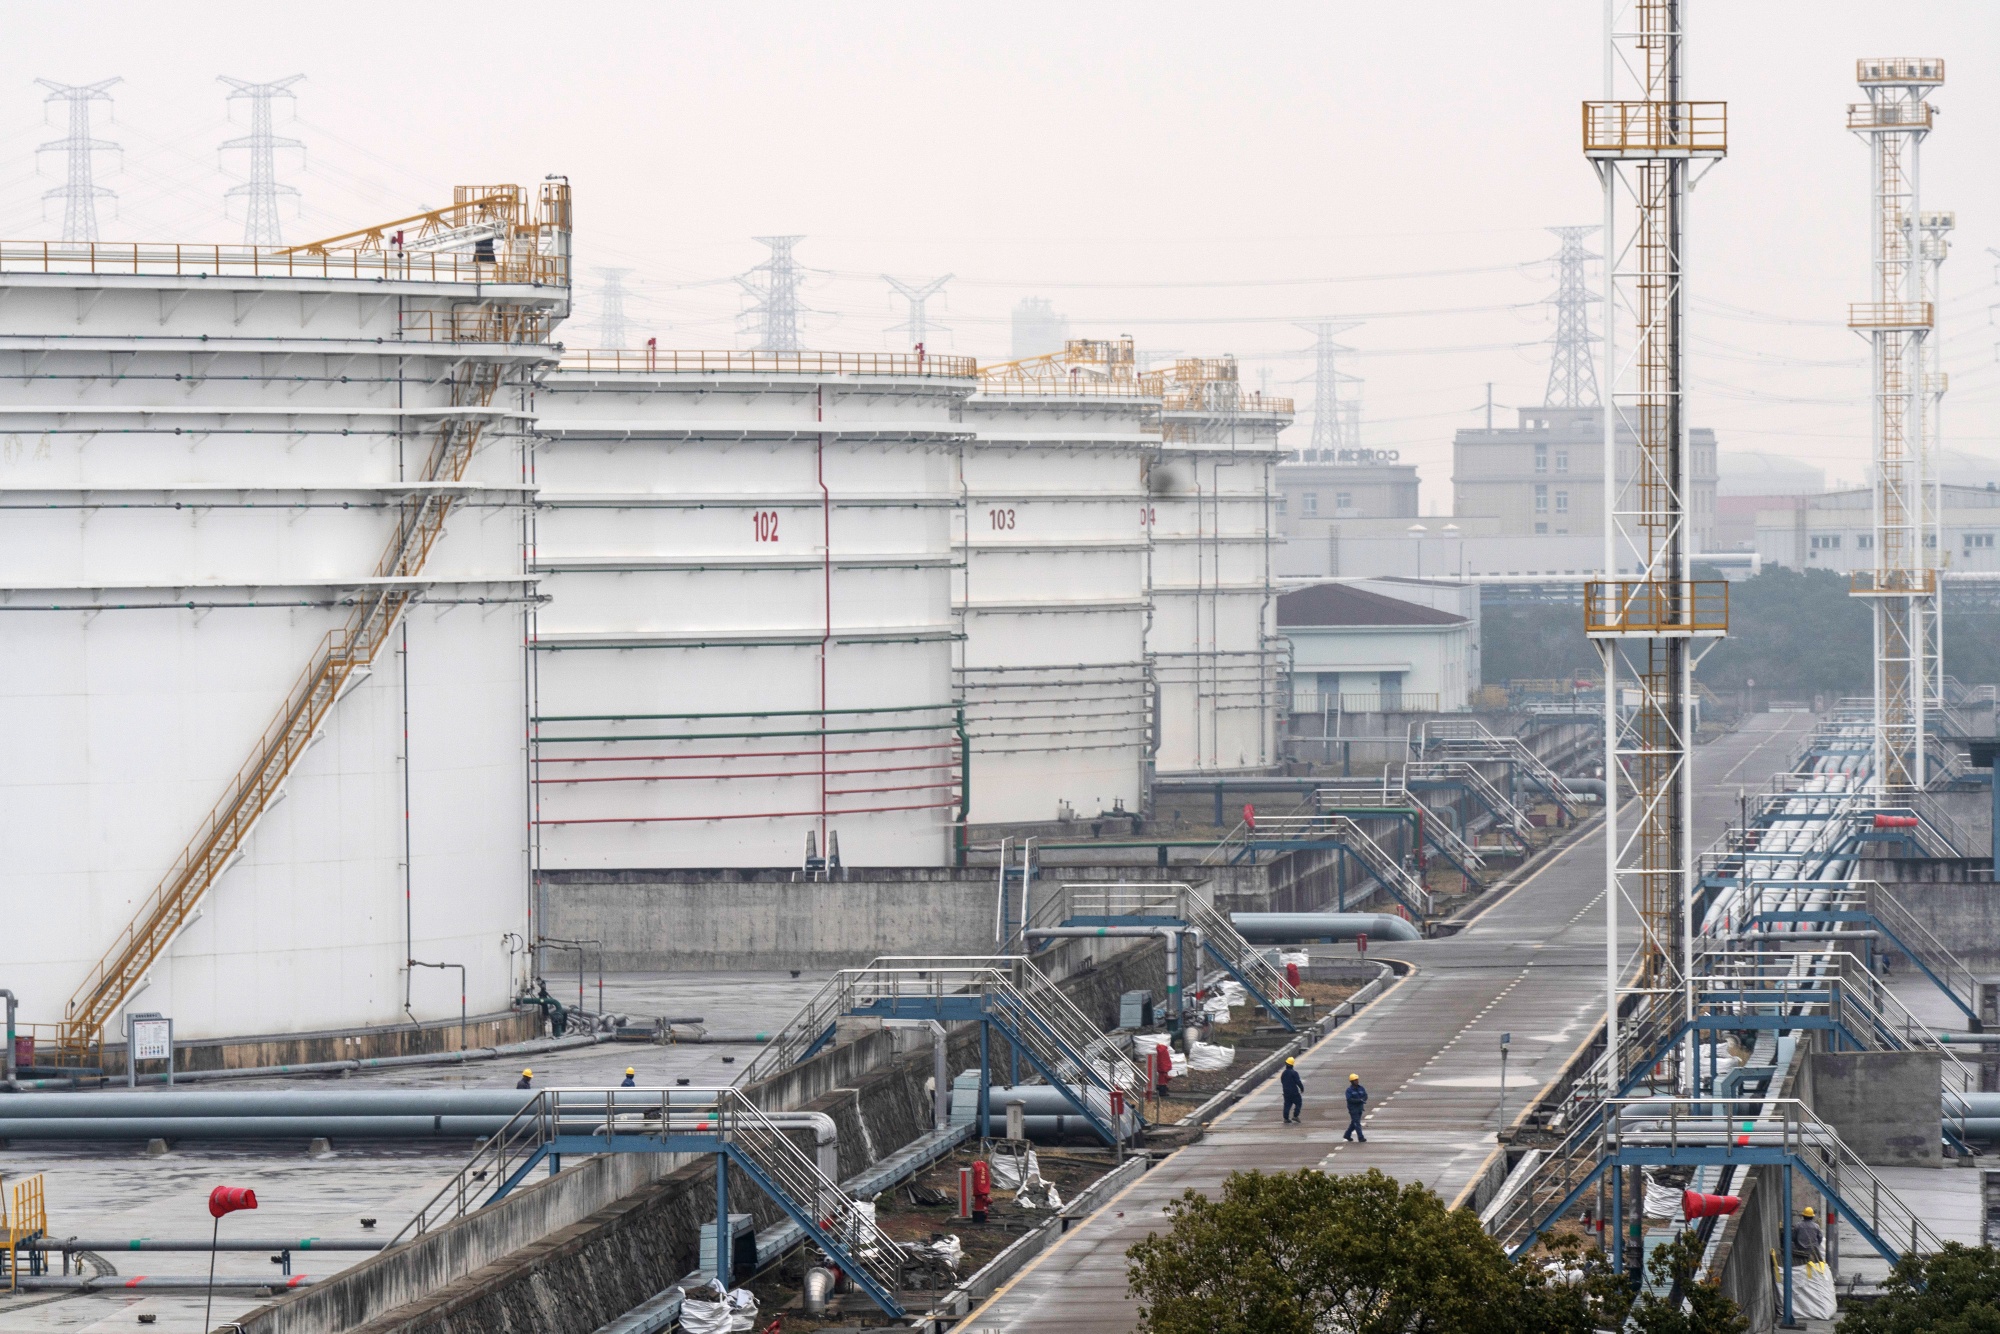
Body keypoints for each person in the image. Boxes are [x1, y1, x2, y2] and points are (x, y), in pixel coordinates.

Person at [1344, 1073, 1368, 1142]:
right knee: (1357, 1123)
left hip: (1360, 1108)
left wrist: (1363, 1099)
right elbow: (1349, 1099)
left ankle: (1347, 1135)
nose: (1357, 1081)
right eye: (1355, 1080)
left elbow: (1365, 1095)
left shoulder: (1361, 1088)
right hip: (1353, 1109)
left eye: (1357, 1080)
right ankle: (1361, 1137)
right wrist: (1359, 1100)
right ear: (1352, 1081)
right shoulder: (1349, 1090)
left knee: (1354, 1123)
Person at [1280, 1056, 1304, 1123]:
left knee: (1287, 1105)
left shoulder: (1284, 1073)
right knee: (1298, 1103)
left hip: (1286, 1092)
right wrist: (1301, 1088)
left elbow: (1282, 1081)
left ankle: (1286, 1118)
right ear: (1292, 1065)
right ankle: (1295, 1116)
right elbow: (1298, 1081)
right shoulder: (1294, 1073)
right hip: (1294, 1092)